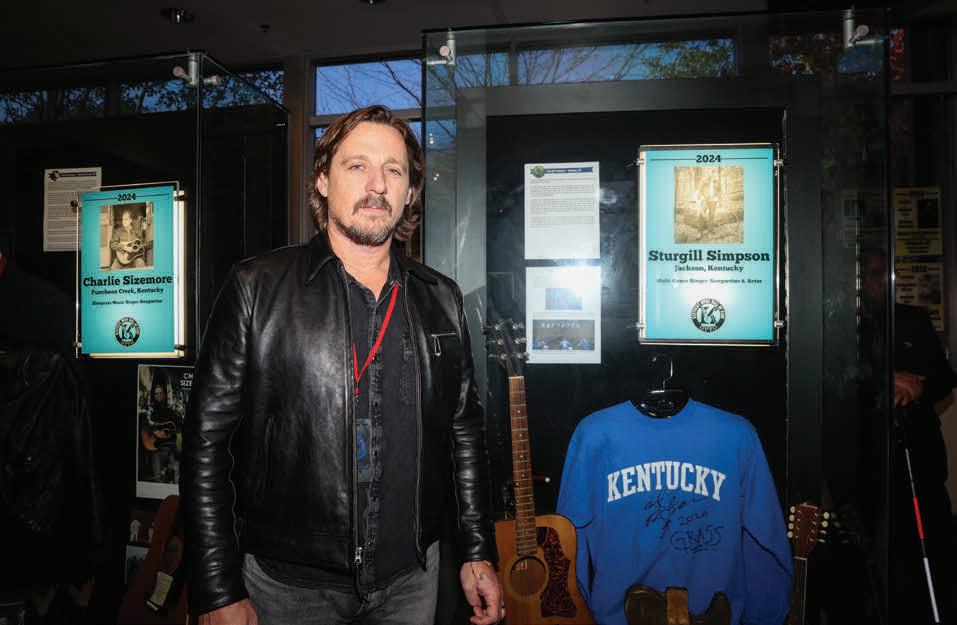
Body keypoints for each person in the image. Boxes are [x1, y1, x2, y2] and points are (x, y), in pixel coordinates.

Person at [181, 105, 503, 625]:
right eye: (357, 166)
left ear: (410, 192)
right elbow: (205, 445)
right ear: (323, 180)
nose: (377, 185)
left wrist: (477, 549)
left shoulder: (440, 298)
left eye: (393, 170)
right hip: (290, 590)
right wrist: (216, 588)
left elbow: (463, 431)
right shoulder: (257, 289)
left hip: (411, 583)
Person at [140, 381, 180, 483]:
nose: (158, 396)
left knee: (177, 477)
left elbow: (178, 428)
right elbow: (143, 422)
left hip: (171, 449)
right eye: (156, 394)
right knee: (158, 479)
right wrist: (155, 431)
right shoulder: (150, 410)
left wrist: (174, 432)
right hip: (157, 449)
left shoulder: (171, 412)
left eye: (160, 393)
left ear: (165, 395)